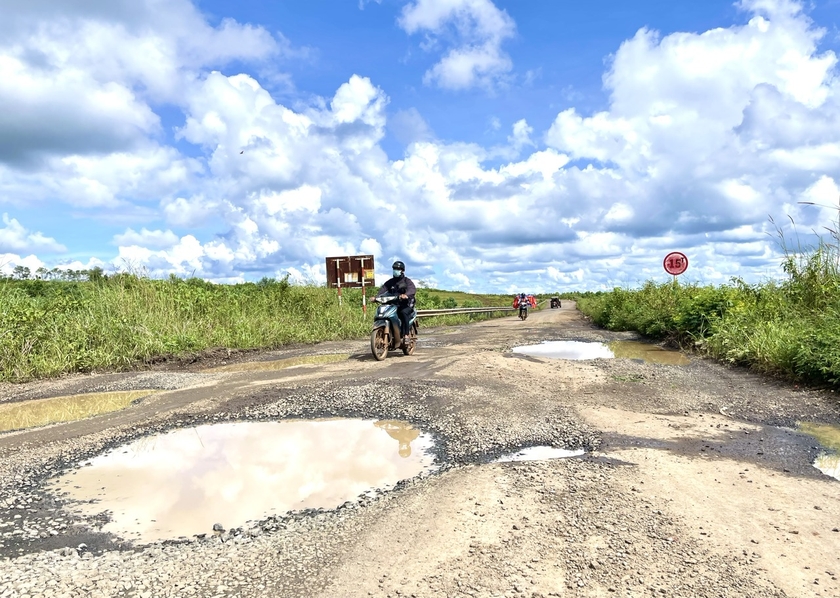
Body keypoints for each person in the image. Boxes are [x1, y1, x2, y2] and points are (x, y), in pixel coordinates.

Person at [377, 260, 416, 343]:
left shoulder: (407, 281)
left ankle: (406, 335)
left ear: (402, 271)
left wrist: (406, 295)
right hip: (394, 304)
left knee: (403, 313)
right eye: (394, 269)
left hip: (406, 304)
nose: (395, 270)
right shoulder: (390, 282)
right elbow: (383, 289)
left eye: (398, 269)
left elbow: (412, 289)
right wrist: (376, 297)